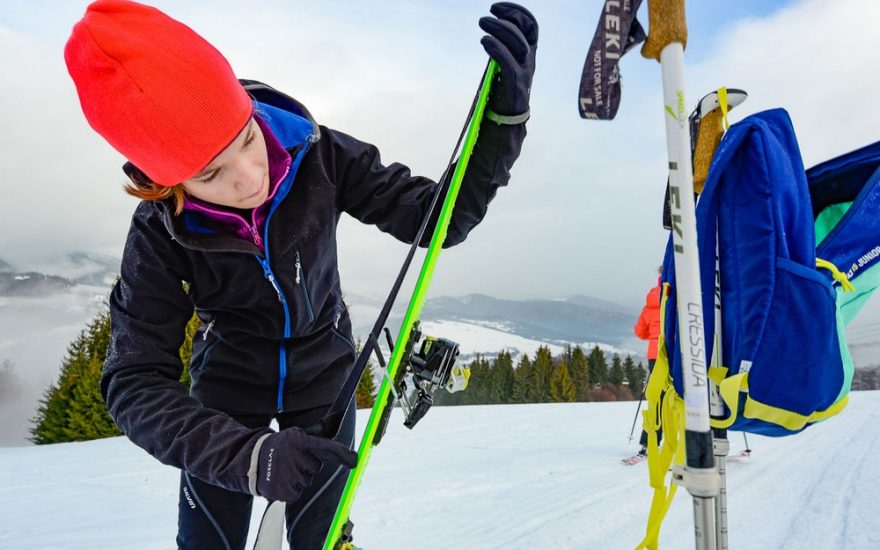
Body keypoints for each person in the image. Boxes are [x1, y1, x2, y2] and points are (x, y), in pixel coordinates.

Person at [63, 1, 537, 548]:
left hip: (323, 383)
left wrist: (502, 125)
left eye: (245, 137)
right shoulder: (158, 231)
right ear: (166, 182)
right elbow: (134, 381)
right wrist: (249, 458)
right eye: (211, 173)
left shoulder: (317, 152)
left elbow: (437, 219)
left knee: (323, 538)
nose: (250, 177)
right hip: (226, 397)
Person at [634, 269, 662, 455]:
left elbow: (640, 332)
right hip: (680, 354)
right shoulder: (684, 295)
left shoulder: (651, 302)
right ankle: (695, 445)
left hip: (655, 356)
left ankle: (648, 442)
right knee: (690, 398)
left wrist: (654, 336)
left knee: (655, 399)